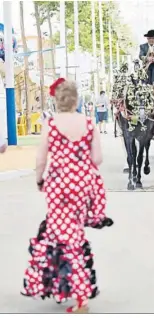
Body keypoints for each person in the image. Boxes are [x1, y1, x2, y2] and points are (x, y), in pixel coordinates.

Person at [21, 78, 113, 313]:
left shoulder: (50, 124)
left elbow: (41, 158)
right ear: (76, 100)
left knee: (65, 237)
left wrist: (40, 179)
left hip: (58, 186)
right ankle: (60, 284)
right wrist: (79, 164)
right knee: (69, 233)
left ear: (56, 100)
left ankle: (80, 295)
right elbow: (97, 159)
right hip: (82, 185)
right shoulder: (89, 123)